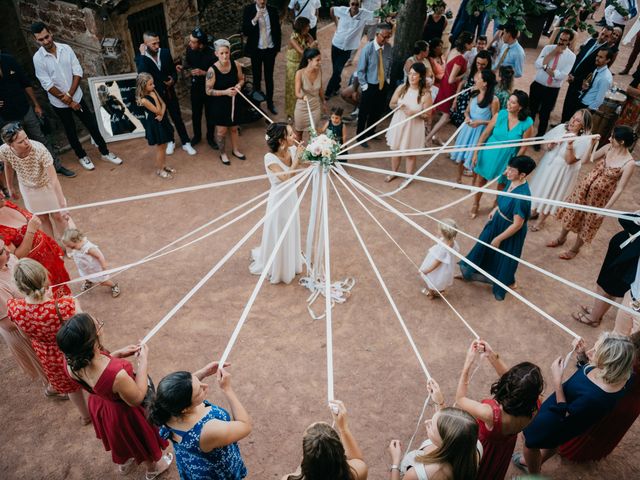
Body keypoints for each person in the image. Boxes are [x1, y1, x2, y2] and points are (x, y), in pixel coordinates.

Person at [56, 313, 173, 477]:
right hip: (124, 414)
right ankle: (153, 469)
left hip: (102, 406)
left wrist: (115, 355)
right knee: (137, 438)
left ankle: (125, 460)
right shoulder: (117, 375)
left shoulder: (70, 360)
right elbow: (138, 397)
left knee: (120, 440)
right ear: (95, 336)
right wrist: (143, 361)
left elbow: (96, 369)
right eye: (99, 324)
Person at [514, 332, 635, 475]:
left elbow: (564, 414)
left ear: (610, 363)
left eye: (596, 351)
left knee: (529, 441)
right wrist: (582, 355)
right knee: (553, 441)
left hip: (558, 417)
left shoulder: (596, 397)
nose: (590, 352)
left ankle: (533, 474)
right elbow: (587, 377)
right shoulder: (622, 374)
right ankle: (537, 461)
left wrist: (557, 381)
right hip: (569, 416)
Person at [31, 22, 123, 171]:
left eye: (47, 37)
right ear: (36, 40)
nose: (46, 41)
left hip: (76, 97)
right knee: (70, 130)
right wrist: (67, 100)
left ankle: (105, 152)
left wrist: (70, 96)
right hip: (59, 104)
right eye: (41, 39)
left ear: (51, 33)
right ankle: (81, 156)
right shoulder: (38, 59)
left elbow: (77, 71)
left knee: (91, 125)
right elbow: (46, 84)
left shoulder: (66, 49)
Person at [7, 258, 89, 423]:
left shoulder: (15, 308)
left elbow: (24, 335)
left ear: (20, 286)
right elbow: (86, 329)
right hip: (73, 351)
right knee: (90, 378)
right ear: (45, 277)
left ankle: (85, 416)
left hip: (48, 356)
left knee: (71, 389)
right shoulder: (67, 304)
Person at [455, 340, 543, 480]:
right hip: (502, 451)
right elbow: (517, 385)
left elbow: (460, 399)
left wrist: (468, 363)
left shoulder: (491, 414)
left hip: (482, 449)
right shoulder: (536, 404)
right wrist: (491, 354)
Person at [148, 363, 249, 480]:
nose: (205, 386)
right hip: (216, 471)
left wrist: (203, 373)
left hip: (194, 465)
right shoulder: (207, 430)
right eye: (199, 390)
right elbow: (245, 425)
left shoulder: (165, 409)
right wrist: (227, 389)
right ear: (185, 408)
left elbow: (179, 390)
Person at [548, 125, 636, 259]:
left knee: (588, 224)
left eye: (613, 137)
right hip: (583, 189)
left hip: (600, 199)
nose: (610, 138)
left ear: (622, 142)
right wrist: (592, 144)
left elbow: (620, 189)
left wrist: (604, 210)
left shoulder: (629, 164)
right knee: (572, 213)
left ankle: (574, 249)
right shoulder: (608, 148)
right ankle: (561, 238)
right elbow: (586, 160)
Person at [459, 156, 537, 301]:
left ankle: (506, 283)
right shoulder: (512, 181)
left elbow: (518, 224)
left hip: (509, 231)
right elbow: (503, 199)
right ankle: (469, 271)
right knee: (482, 246)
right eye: (508, 167)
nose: (506, 171)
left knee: (503, 258)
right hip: (497, 222)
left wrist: (499, 238)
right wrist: (495, 210)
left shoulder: (522, 197)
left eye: (511, 170)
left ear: (522, 175)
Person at [558, 331, 640, 462]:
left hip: (619, 401)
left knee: (592, 426)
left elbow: (600, 377)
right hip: (626, 401)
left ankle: (571, 449)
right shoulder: (627, 353)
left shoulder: (626, 360)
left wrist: (583, 360)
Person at [0, 52, 75, 177]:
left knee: (41, 140)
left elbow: (25, 83)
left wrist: (36, 105)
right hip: (7, 119)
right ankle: (32, 175)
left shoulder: (9, 60)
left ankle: (56, 166)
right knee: (17, 148)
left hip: (25, 110)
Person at [250, 123, 304, 284]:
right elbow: (286, 178)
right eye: (290, 134)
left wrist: (319, 152)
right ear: (281, 140)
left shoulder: (293, 150)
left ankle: (291, 262)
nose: (294, 136)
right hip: (279, 201)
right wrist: (298, 160)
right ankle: (278, 267)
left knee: (291, 227)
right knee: (280, 230)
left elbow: (308, 163)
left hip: (291, 198)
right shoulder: (269, 158)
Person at [569, 213, 640, 327]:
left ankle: (594, 318)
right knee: (610, 284)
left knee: (608, 284)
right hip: (628, 245)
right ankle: (597, 312)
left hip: (630, 252)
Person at [470, 91, 534, 217]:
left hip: (508, 159)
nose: (508, 104)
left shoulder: (527, 123)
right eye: (509, 100)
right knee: (481, 179)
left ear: (520, 106)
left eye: (513, 102)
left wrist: (513, 166)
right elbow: (484, 135)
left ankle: (496, 206)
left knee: (502, 185)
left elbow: (523, 147)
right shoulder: (500, 115)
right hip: (489, 153)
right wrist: (476, 153)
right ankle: (475, 204)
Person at [0, 123, 70, 239]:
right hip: (28, 189)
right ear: (10, 145)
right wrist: (10, 187)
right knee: (42, 219)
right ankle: (55, 249)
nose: (27, 142)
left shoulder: (40, 149)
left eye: (26, 138)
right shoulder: (4, 150)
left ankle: (70, 248)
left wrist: (62, 205)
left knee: (58, 216)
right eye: (21, 142)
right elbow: (8, 165)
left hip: (46, 186)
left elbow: (54, 180)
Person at [529, 109, 594, 231]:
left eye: (578, 120)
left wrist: (569, 144)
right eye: (573, 117)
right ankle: (534, 211)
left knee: (551, 193)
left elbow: (570, 161)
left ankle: (541, 220)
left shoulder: (584, 140)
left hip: (562, 171)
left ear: (583, 125)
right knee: (542, 187)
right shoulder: (561, 128)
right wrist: (551, 145)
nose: (573, 121)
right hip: (548, 165)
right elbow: (547, 146)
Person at [136, 31, 197, 156]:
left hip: (169, 92)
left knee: (177, 117)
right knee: (163, 120)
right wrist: (142, 54)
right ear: (145, 44)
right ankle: (171, 141)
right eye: (154, 43)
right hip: (156, 96)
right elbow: (142, 74)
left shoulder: (165, 52)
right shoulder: (141, 58)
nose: (157, 45)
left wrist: (173, 80)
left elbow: (172, 71)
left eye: (158, 42)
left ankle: (186, 142)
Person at [388, 404, 481, 480]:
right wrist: (439, 402)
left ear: (445, 442)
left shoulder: (417, 474)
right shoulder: (473, 446)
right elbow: (451, 428)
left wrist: (395, 462)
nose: (426, 422)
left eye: (432, 426)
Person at [0, 198, 71, 297]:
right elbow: (15, 257)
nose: (2, 194)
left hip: (48, 254)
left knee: (62, 290)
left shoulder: (6, 204)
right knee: (49, 297)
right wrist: (31, 230)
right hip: (36, 267)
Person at [0, 240, 46, 387]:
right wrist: (41, 309)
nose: (8, 251)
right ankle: (53, 388)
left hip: (33, 318)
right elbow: (8, 324)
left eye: (4, 245)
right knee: (42, 364)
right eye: (1, 251)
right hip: (21, 331)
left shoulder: (11, 259)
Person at [283, 400, 367, 480]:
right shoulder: (358, 474)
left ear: (303, 460)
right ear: (341, 455)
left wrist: (301, 470)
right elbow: (358, 460)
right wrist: (343, 428)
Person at [384, 62, 432, 181]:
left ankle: (408, 177)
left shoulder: (425, 94)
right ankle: (394, 172)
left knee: (410, 153)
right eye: (410, 74)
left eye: (414, 74)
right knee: (395, 149)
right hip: (399, 122)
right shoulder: (401, 88)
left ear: (421, 76)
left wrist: (414, 113)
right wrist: (399, 107)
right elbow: (391, 104)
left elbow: (428, 115)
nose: (411, 77)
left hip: (414, 126)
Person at [529, 29, 577, 144]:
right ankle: (525, 134)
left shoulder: (571, 57)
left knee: (544, 115)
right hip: (538, 85)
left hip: (552, 90)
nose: (561, 42)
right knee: (531, 111)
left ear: (569, 42)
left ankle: (539, 138)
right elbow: (537, 64)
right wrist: (553, 53)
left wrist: (545, 68)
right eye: (560, 39)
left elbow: (561, 76)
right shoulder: (548, 49)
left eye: (564, 40)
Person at [451, 69, 499, 183]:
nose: (475, 79)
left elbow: (495, 121)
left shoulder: (494, 100)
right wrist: (467, 117)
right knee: (462, 155)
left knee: (474, 158)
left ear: (485, 83)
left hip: (480, 133)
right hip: (467, 130)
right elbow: (466, 111)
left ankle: (473, 184)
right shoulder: (474, 94)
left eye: (479, 78)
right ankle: (458, 179)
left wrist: (480, 122)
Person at [428, 32, 474, 145]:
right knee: (446, 116)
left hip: (444, 84)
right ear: (467, 44)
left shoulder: (454, 50)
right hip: (450, 87)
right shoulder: (461, 59)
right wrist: (464, 75)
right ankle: (428, 137)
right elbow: (451, 79)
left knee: (441, 113)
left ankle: (435, 136)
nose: (473, 46)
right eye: (472, 43)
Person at [205, 39, 246, 166]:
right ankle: (223, 153)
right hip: (219, 105)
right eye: (221, 53)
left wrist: (239, 86)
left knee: (234, 128)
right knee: (221, 132)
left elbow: (241, 79)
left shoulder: (236, 65)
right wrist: (225, 92)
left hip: (234, 102)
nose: (224, 56)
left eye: (226, 53)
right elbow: (208, 91)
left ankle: (235, 150)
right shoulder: (212, 70)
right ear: (216, 53)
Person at [561, 26, 613, 122]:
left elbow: (592, 71)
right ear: (600, 32)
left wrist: (576, 79)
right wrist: (571, 72)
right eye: (602, 34)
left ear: (609, 38)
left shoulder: (604, 51)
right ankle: (562, 122)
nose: (602, 37)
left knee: (573, 105)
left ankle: (567, 124)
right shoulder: (591, 41)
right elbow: (580, 56)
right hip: (573, 76)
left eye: (606, 36)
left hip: (581, 82)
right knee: (567, 102)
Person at [325, 1, 374, 99]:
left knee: (337, 70)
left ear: (360, 4)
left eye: (357, 4)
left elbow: (378, 15)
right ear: (349, 3)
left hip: (348, 48)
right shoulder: (342, 10)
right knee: (336, 69)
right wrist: (336, 23)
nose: (355, 6)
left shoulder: (364, 13)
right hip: (336, 43)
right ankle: (337, 86)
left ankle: (328, 92)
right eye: (353, 4)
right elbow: (332, 9)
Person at [356, 23, 394, 146]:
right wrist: (364, 86)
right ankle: (360, 136)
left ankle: (371, 132)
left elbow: (389, 64)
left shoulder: (388, 48)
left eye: (388, 37)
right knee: (364, 112)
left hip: (383, 85)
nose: (386, 39)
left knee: (377, 111)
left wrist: (387, 78)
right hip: (370, 85)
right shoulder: (367, 49)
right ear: (377, 34)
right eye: (384, 36)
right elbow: (361, 70)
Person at [242, 0, 282, 114]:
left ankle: (270, 103)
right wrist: (254, 19)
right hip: (256, 50)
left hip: (270, 49)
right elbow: (245, 31)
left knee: (269, 77)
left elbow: (277, 31)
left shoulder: (273, 11)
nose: (262, 1)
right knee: (257, 78)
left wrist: (277, 48)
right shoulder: (249, 10)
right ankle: (257, 104)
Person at [181, 27, 217, 149]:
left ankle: (210, 138)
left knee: (210, 114)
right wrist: (184, 69)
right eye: (190, 41)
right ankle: (197, 136)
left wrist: (204, 73)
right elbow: (187, 66)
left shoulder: (212, 53)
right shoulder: (190, 50)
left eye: (193, 42)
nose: (189, 43)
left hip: (209, 88)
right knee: (196, 114)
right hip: (196, 87)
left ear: (201, 44)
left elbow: (218, 73)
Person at [135, 72, 176, 179]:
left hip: (161, 120)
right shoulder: (144, 100)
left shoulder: (153, 91)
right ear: (144, 86)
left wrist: (162, 115)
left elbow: (164, 104)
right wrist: (159, 110)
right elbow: (157, 109)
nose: (153, 86)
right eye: (150, 84)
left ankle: (163, 165)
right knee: (160, 148)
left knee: (165, 145)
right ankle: (160, 170)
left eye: (153, 83)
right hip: (155, 124)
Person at [61, 227, 120, 298]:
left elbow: (99, 256)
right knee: (85, 275)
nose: (72, 249)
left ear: (77, 240)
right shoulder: (77, 246)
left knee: (103, 281)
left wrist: (104, 266)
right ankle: (89, 281)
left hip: (95, 269)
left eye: (72, 247)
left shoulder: (88, 248)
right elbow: (76, 252)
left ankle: (114, 286)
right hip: (86, 268)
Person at [450, 50, 492, 127]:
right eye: (478, 63)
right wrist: (455, 100)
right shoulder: (471, 70)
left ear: (488, 63)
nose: (479, 67)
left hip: (475, 103)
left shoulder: (488, 75)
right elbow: (461, 84)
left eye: (483, 64)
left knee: (469, 125)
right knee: (459, 122)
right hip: (463, 99)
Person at [419, 218, 460, 298]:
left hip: (438, 267)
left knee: (433, 279)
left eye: (439, 230)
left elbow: (437, 263)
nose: (437, 230)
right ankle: (441, 291)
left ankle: (431, 294)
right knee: (441, 280)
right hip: (446, 267)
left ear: (444, 233)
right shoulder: (453, 242)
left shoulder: (444, 249)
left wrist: (426, 271)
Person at [286, 17, 315, 120]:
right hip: (293, 66)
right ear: (302, 27)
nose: (309, 27)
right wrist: (312, 46)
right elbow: (303, 52)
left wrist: (312, 45)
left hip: (303, 65)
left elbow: (314, 48)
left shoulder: (306, 35)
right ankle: (290, 114)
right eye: (307, 25)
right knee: (291, 89)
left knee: (303, 88)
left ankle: (301, 110)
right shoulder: (293, 38)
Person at [294, 48, 326, 140]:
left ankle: (311, 153)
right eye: (317, 60)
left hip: (315, 107)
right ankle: (298, 153)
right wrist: (302, 96)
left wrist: (323, 101)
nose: (320, 62)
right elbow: (297, 93)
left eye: (320, 60)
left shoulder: (320, 71)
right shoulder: (299, 73)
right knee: (298, 133)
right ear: (309, 60)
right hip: (302, 107)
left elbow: (320, 88)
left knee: (313, 134)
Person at [577, 48, 614, 113]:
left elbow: (599, 100)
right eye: (597, 56)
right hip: (582, 100)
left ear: (607, 60)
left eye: (601, 57)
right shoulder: (597, 69)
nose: (597, 58)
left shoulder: (605, 78)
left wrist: (587, 110)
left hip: (587, 106)